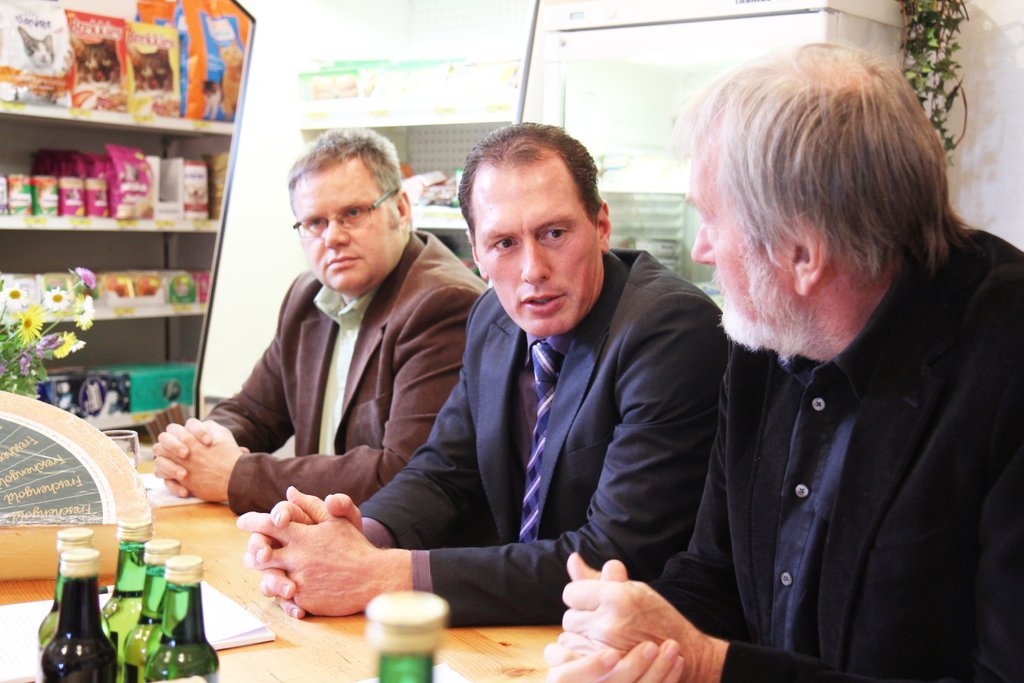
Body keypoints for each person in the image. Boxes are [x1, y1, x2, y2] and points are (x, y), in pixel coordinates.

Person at [545, 43, 1024, 682]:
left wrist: (710, 664)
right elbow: (714, 572)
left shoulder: (1005, 368)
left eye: (712, 219)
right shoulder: (768, 334)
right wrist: (633, 636)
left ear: (802, 254)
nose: (701, 248)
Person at [236, 122, 728, 625]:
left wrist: (380, 573)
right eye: (504, 243)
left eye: (554, 233)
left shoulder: (669, 330)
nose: (532, 269)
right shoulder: (494, 318)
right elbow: (444, 472)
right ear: (476, 252)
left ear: (601, 226)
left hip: (635, 639)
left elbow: (612, 555)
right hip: (520, 633)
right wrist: (354, 535)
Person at [152, 128, 486, 514]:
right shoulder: (308, 296)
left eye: (353, 213)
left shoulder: (443, 303)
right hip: (320, 535)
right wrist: (197, 449)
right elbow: (254, 411)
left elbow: (404, 474)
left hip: (401, 545)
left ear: (401, 209)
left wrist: (235, 475)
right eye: (315, 222)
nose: (333, 237)